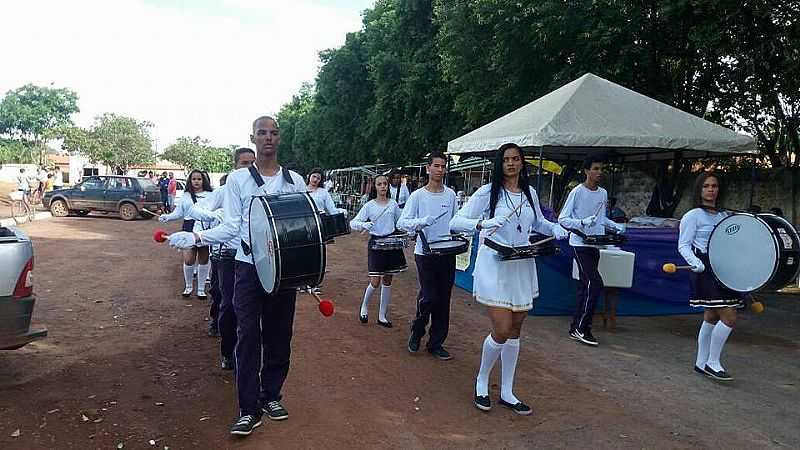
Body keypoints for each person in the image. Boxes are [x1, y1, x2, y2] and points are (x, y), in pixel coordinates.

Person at [167, 116, 306, 436]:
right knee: (248, 336)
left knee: (279, 334)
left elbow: (302, 228)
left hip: (282, 271)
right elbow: (231, 226)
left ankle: (271, 395)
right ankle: (248, 408)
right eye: (262, 133)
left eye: (273, 133)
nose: (268, 138)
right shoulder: (238, 180)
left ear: (279, 138)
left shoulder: (294, 181)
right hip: (247, 266)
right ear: (253, 138)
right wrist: (197, 238)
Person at [450, 143, 568, 415]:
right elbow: (456, 221)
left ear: (522, 163)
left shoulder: (530, 193)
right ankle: (481, 381)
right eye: (506, 160)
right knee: (502, 328)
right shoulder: (487, 192)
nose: (511, 164)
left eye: (516, 159)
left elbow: (538, 224)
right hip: (495, 263)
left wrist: (555, 228)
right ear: (499, 163)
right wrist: (481, 225)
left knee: (515, 328)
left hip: (522, 263)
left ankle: (507, 391)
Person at [188, 148, 256, 368]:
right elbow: (199, 210)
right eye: (244, 163)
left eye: (251, 163)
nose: (249, 167)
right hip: (227, 255)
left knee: (253, 307)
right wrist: (209, 217)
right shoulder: (224, 191)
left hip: (257, 257)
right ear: (235, 166)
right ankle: (228, 352)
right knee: (229, 304)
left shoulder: (263, 188)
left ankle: (247, 354)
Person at [558, 152, 625, 347]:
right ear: (586, 171)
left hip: (596, 243)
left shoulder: (603, 193)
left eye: (601, 169)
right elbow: (563, 218)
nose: (599, 172)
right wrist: (581, 222)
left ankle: (575, 327)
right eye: (595, 169)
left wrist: (615, 226)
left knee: (585, 285)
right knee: (594, 283)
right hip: (579, 243)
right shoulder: (577, 192)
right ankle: (583, 328)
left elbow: (601, 218)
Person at [678, 172, 740, 381]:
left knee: (712, 316)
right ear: (699, 190)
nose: (711, 190)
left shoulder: (723, 216)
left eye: (714, 186)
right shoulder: (692, 215)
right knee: (729, 316)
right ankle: (713, 363)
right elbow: (683, 245)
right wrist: (695, 263)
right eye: (706, 186)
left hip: (721, 269)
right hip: (703, 269)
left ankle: (700, 362)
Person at [397, 152, 458, 360]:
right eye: (436, 166)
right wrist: (422, 221)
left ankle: (436, 342)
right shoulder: (417, 196)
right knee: (429, 296)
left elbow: (456, 222)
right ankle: (417, 330)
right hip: (425, 253)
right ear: (428, 168)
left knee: (444, 299)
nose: (440, 170)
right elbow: (402, 222)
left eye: (443, 166)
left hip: (447, 253)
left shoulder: (450, 195)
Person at [350, 174, 405, 327]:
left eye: (385, 184)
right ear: (375, 186)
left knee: (388, 280)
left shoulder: (393, 204)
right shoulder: (369, 205)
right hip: (376, 244)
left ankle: (382, 316)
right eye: (379, 184)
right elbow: (353, 222)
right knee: (375, 281)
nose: (382, 187)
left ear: (388, 186)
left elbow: (400, 222)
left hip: (391, 243)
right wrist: (363, 225)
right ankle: (364, 306)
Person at [159, 169, 214, 299]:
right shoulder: (185, 196)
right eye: (194, 179)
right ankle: (188, 287)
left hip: (205, 229)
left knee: (204, 259)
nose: (196, 181)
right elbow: (178, 213)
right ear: (190, 180)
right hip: (188, 228)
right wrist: (167, 217)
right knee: (189, 260)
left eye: (199, 179)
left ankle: (201, 289)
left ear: (203, 180)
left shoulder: (211, 195)